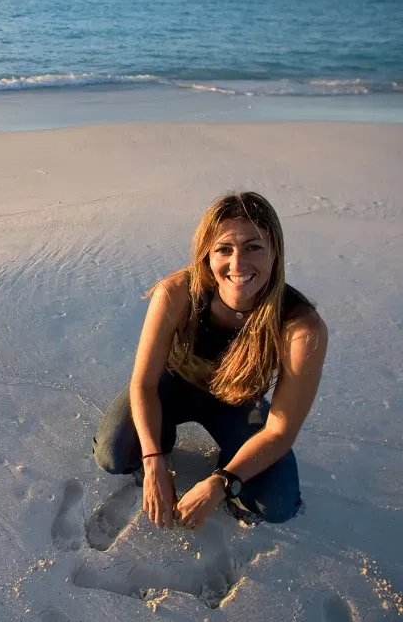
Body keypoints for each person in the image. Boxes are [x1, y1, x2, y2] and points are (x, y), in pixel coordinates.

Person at [92, 191, 328, 531]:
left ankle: (231, 460)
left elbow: (280, 430)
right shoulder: (176, 292)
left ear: (275, 253)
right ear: (207, 253)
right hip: (170, 387)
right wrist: (154, 460)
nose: (237, 264)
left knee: (277, 504)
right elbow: (143, 383)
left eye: (253, 247)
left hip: (237, 402)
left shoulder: (301, 327)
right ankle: (163, 436)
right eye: (224, 249)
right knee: (113, 456)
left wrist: (223, 482)